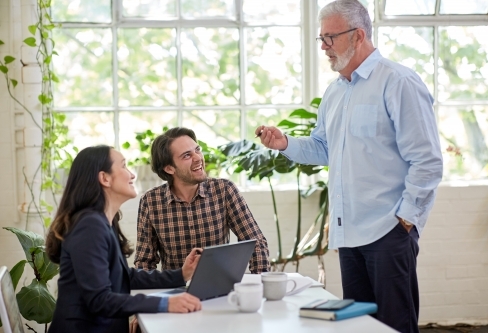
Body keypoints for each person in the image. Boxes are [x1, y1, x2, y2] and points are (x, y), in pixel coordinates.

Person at [255, 1, 443, 332]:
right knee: (358, 327)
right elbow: (323, 148)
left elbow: (427, 161)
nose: (324, 47)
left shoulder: (398, 82)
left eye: (331, 37)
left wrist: (406, 220)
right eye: (321, 39)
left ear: (358, 36)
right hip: (348, 234)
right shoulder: (335, 92)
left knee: (395, 325)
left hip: (388, 231)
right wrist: (284, 144)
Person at [46, 145, 202, 333]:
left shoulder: (103, 221)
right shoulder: (89, 226)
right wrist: (165, 303)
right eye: (124, 167)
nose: (132, 175)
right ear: (105, 178)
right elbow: (99, 300)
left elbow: (123, 276)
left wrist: (181, 274)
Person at [134, 127, 270, 274]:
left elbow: (255, 243)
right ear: (169, 169)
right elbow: (144, 262)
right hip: (176, 292)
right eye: (187, 155)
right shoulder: (150, 201)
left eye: (197, 150)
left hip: (221, 288)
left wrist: (258, 285)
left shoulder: (224, 190)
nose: (198, 158)